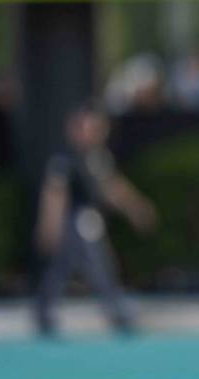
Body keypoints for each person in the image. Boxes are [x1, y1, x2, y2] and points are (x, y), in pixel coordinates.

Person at [33, 103, 158, 336]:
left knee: (65, 267)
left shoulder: (97, 157)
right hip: (75, 221)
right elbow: (54, 194)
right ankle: (115, 310)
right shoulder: (65, 158)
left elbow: (112, 187)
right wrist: (50, 225)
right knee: (97, 265)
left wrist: (135, 208)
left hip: (87, 220)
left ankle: (44, 310)